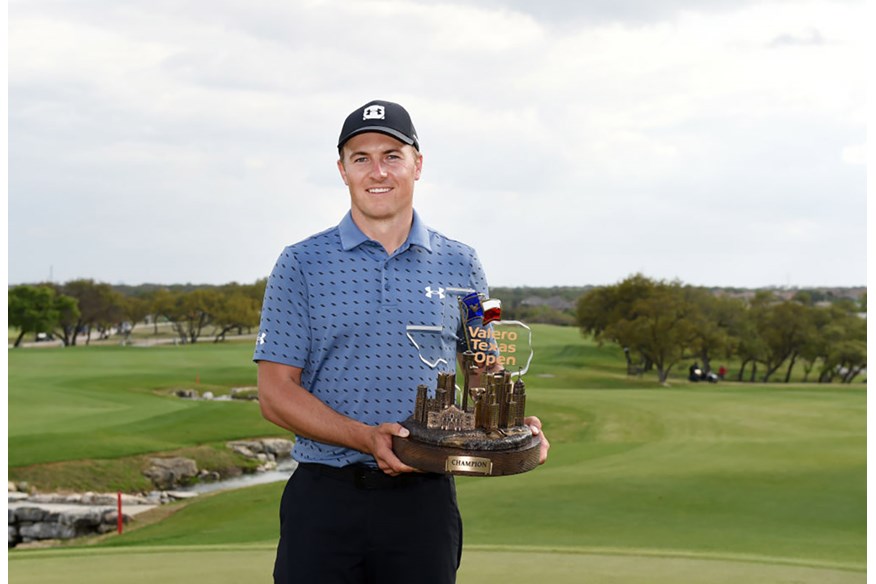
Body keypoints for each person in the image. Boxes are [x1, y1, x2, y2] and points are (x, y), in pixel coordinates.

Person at [253, 100, 549, 584]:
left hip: (424, 503)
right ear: (342, 170)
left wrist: (512, 426)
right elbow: (275, 393)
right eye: (361, 157)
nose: (378, 171)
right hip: (325, 497)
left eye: (392, 155)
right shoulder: (300, 264)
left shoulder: (463, 263)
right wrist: (366, 438)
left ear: (418, 164)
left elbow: (483, 371)